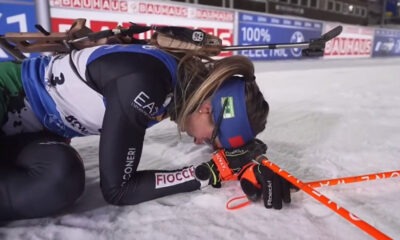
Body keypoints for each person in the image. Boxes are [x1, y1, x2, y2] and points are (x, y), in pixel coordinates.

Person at [0, 25, 291, 221]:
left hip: (34, 130)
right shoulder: (146, 85)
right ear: (206, 109)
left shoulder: (178, 82)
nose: (201, 144)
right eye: (212, 139)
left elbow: (230, 137)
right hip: (8, 93)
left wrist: (254, 159)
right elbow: (118, 190)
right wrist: (207, 173)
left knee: (59, 180)